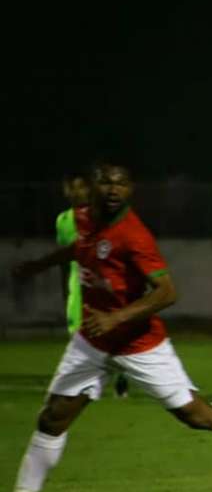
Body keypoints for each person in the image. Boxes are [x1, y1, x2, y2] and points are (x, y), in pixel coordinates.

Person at [0, 161, 212, 492]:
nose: (114, 190)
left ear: (131, 190)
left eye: (122, 184)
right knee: (52, 418)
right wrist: (38, 265)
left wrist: (116, 318)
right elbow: (78, 249)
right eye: (107, 183)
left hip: (138, 343)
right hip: (92, 340)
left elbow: (167, 292)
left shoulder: (134, 236)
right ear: (92, 187)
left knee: (195, 415)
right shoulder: (83, 219)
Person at [56, 170, 129, 397]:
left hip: (101, 285)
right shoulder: (64, 220)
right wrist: (65, 290)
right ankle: (87, 384)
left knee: (109, 333)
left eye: (81, 187)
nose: (77, 192)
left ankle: (119, 373)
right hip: (76, 288)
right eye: (72, 188)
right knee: (77, 334)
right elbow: (63, 258)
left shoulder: (102, 216)